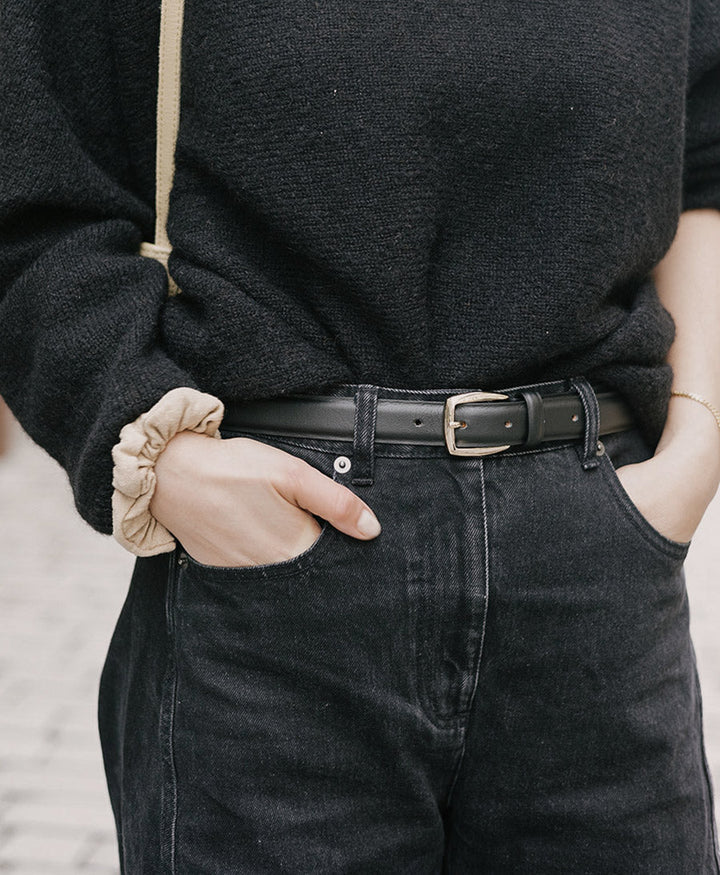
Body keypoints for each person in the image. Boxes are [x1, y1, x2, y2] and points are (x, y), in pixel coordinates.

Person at [1, 1, 719, 872]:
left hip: (599, 568)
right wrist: (164, 451)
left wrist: (696, 447)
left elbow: (705, 165)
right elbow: (30, 185)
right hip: (275, 588)